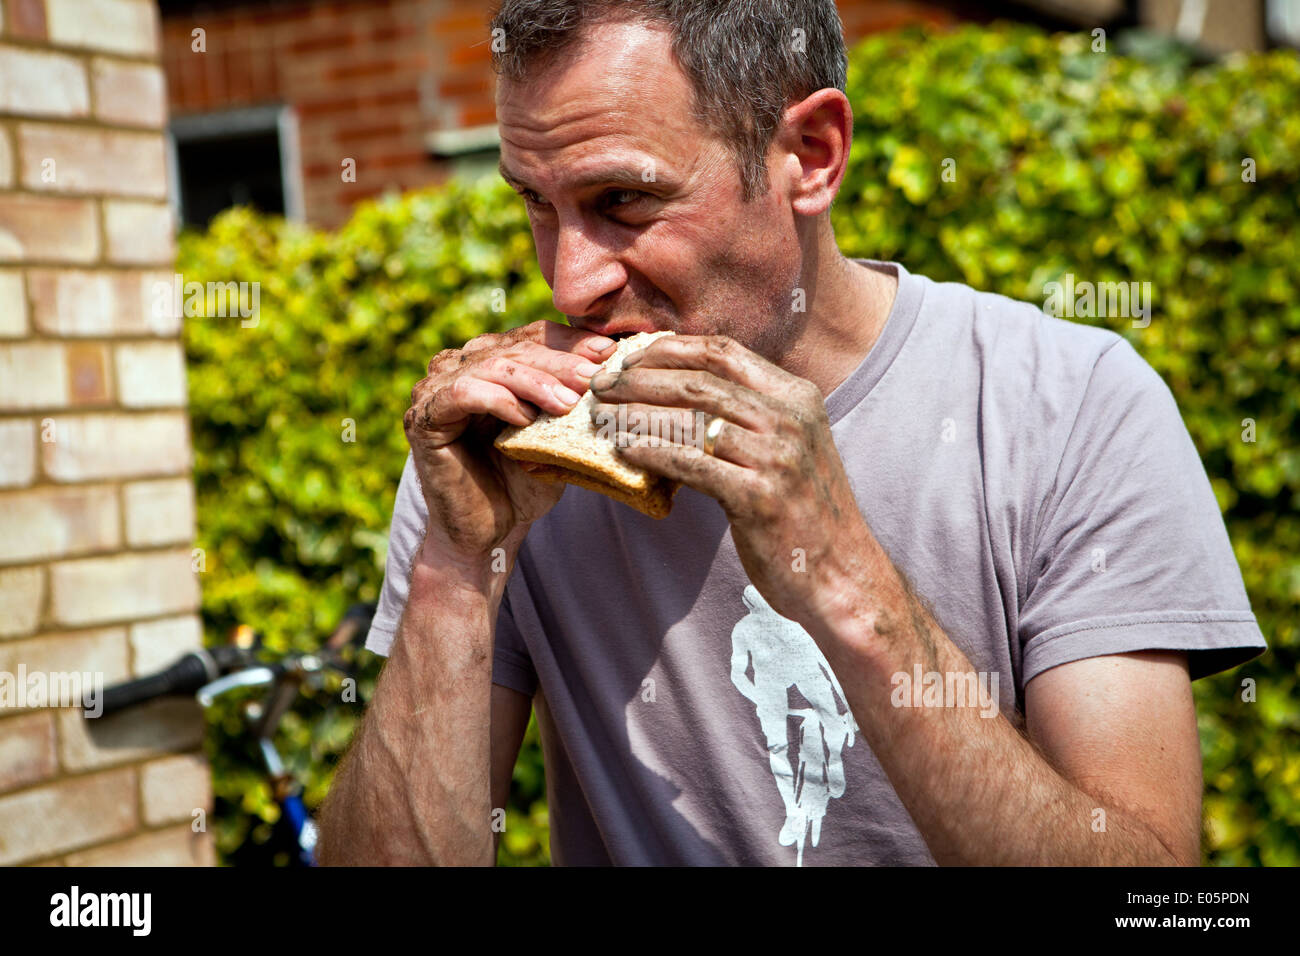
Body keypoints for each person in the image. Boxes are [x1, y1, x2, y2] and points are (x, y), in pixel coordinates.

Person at [316, 0, 1267, 866]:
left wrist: (843, 574)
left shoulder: (1069, 406)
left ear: (811, 154)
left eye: (625, 203)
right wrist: (453, 576)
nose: (570, 286)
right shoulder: (495, 455)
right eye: (535, 202)